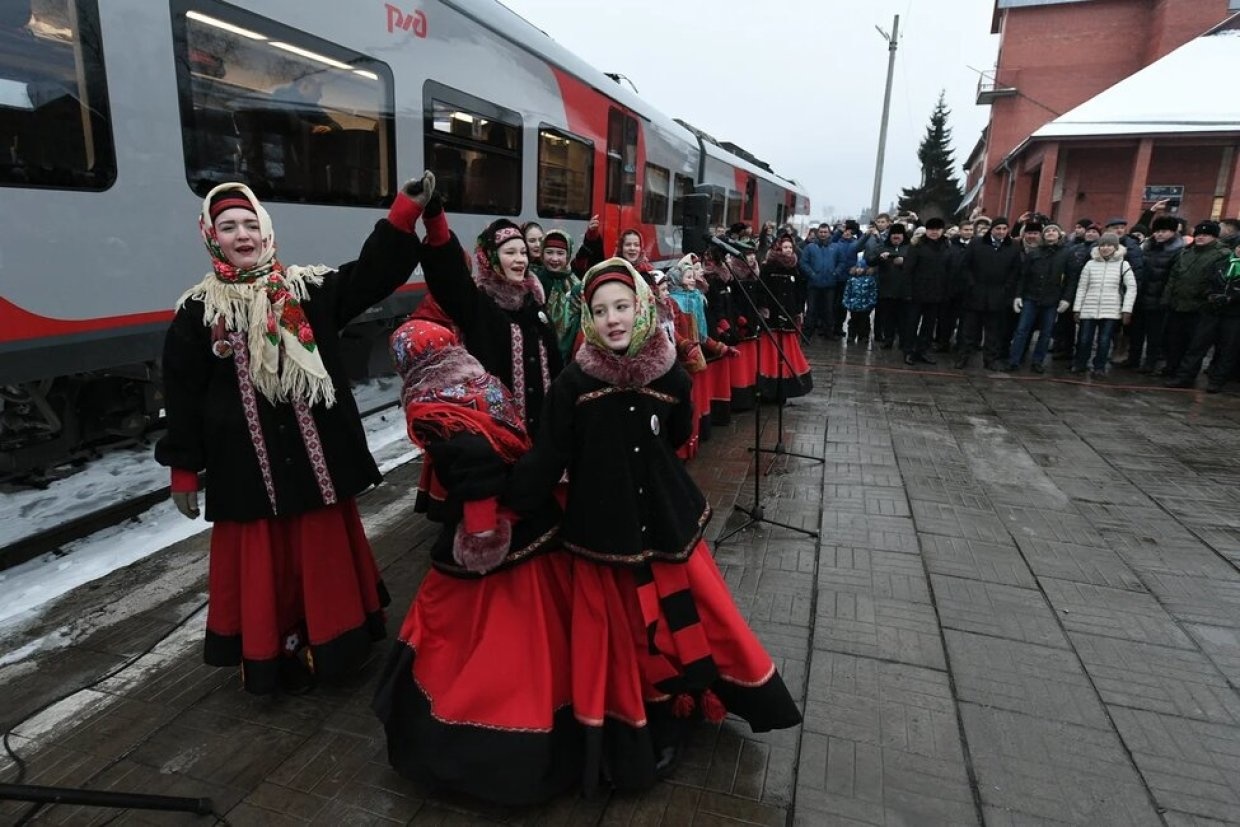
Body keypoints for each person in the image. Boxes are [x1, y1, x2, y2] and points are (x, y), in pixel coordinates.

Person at [505, 258, 802, 794]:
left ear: (641, 307)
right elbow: (549, 452)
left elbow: (678, 433)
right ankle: (645, 708)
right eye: (599, 311)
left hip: (666, 522)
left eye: (622, 306)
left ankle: (684, 700)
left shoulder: (669, 371)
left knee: (682, 620)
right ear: (588, 319)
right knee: (627, 633)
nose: (612, 319)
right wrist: (510, 501)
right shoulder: (574, 383)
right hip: (604, 530)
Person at [155, 175, 427, 694]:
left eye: (250, 223)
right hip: (246, 471)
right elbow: (183, 393)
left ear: (266, 229)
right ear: (211, 237)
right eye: (228, 226)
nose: (242, 235)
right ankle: (269, 653)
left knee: (319, 556)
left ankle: (332, 649)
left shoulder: (307, 290)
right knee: (264, 567)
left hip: (312, 463)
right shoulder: (198, 312)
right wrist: (184, 469)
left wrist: (403, 213)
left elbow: (373, 275)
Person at [372, 318, 577, 805]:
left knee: (478, 635)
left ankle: (488, 746)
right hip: (533, 515)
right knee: (546, 628)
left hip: (493, 530)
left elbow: (475, 467)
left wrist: (482, 531)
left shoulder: (432, 406)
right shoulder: (481, 379)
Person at [417, 202, 563, 436]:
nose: (520, 260)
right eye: (510, 253)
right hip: (498, 432)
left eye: (523, 252)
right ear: (490, 258)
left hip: (542, 431)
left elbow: (555, 365)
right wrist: (436, 222)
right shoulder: (478, 304)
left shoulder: (534, 303)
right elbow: (449, 277)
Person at [1165, 239, 1240, 392]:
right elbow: (1207, 281)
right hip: (1212, 311)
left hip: (1234, 314)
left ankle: (1217, 381)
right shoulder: (1222, 263)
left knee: (1227, 349)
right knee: (1197, 345)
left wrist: (1232, 298)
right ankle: (1185, 377)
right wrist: (1210, 294)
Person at [1071, 232, 1137, 376]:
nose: (1105, 248)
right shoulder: (1090, 264)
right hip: (1089, 307)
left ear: (1115, 247)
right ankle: (1080, 363)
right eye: (1102, 245)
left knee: (1104, 340)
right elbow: (1082, 287)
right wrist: (1077, 308)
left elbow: (1131, 287)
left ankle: (1099, 367)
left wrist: (1127, 310)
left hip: (1111, 309)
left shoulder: (1123, 264)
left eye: (1109, 245)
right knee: (1084, 339)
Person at [1008, 223, 1071, 372]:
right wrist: (1018, 296)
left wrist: (1066, 298)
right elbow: (1023, 276)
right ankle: (1014, 360)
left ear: (1059, 235)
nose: (1050, 233)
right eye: (1047, 231)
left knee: (1046, 333)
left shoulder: (1066, 253)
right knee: (1022, 330)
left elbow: (1071, 278)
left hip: (1052, 299)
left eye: (1053, 231)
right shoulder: (1034, 252)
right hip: (1031, 296)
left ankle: (1038, 361)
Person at [756, 234, 812, 399]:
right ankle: (768, 386)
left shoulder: (795, 267)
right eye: (784, 247)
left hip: (789, 315)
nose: (787, 250)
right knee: (770, 351)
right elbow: (762, 290)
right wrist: (764, 308)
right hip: (772, 316)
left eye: (789, 247)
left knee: (788, 351)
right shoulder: (768, 267)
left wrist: (799, 310)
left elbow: (800, 291)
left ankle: (785, 387)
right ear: (778, 248)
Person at [533, 229, 583, 363]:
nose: (554, 259)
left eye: (560, 253)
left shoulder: (577, 286)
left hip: (567, 358)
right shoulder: (533, 282)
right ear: (542, 253)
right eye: (549, 252)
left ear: (568, 256)